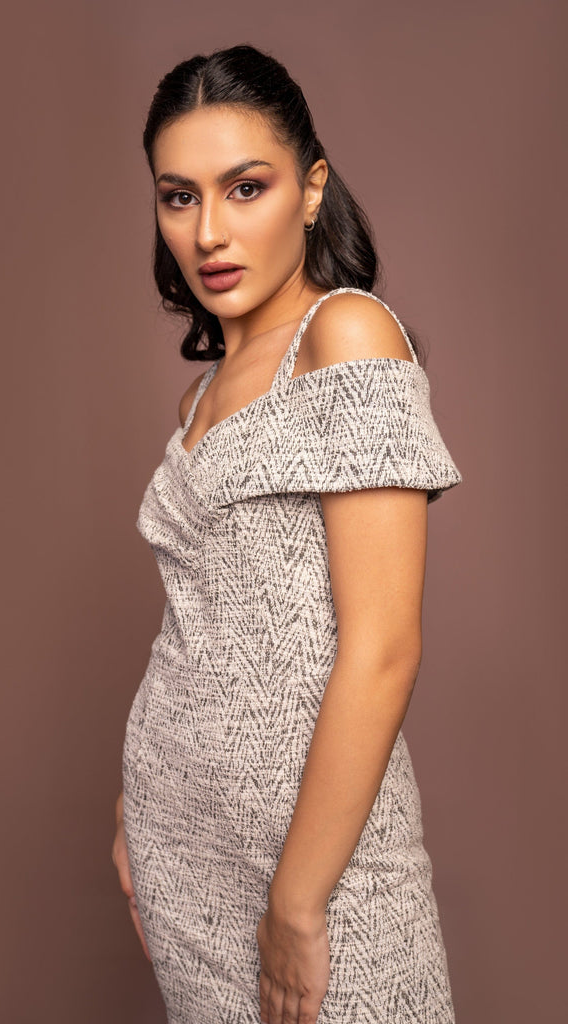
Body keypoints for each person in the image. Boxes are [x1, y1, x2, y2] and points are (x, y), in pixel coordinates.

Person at [112, 42, 462, 1024]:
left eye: (245, 188)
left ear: (310, 190)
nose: (208, 232)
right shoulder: (198, 395)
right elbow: (198, 628)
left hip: (314, 869)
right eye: (178, 197)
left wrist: (297, 901)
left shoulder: (343, 334)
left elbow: (383, 647)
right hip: (182, 853)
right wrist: (133, 808)